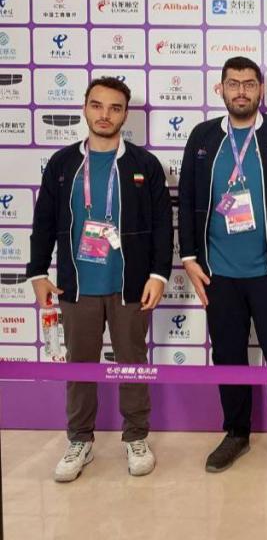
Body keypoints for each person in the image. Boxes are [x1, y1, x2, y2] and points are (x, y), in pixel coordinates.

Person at [27, 77, 172, 481]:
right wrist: (38, 272)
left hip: (130, 286)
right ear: (85, 108)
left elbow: (163, 226)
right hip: (76, 286)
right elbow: (43, 222)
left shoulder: (145, 165)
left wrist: (158, 275)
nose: (104, 115)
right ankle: (80, 440)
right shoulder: (62, 164)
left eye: (114, 108)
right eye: (97, 105)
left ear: (125, 114)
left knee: (132, 365)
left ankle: (136, 437)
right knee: (80, 367)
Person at [178, 56, 267, 477]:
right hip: (219, 274)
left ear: (261, 90)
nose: (241, 91)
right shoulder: (203, 138)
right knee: (228, 355)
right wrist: (189, 257)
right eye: (233, 83)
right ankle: (236, 433)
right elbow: (187, 197)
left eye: (249, 83)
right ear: (220, 89)